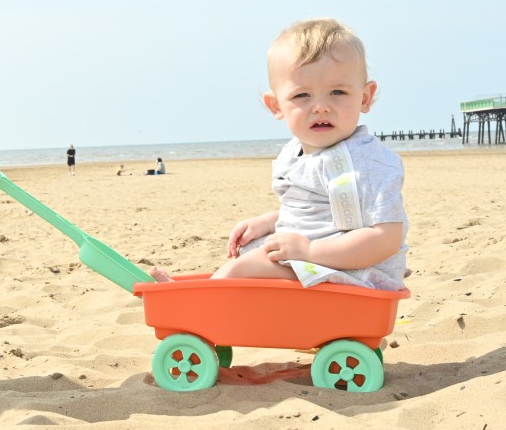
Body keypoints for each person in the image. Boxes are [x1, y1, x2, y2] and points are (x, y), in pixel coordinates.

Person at [152, 18, 407, 290]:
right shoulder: (294, 154)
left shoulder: (366, 164)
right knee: (249, 251)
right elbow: (318, 210)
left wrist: (310, 252)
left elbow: (387, 237)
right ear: (276, 106)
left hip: (357, 273)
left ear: (365, 98)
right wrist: (268, 222)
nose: (321, 106)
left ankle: (194, 306)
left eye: (337, 92)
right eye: (302, 96)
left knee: (244, 268)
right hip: (317, 263)